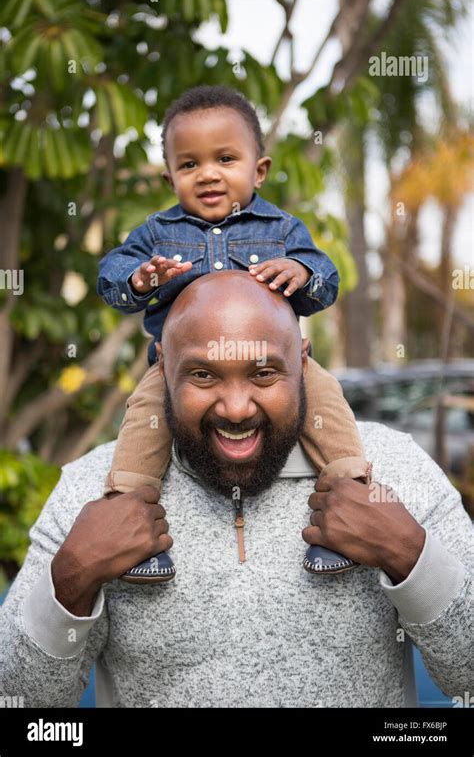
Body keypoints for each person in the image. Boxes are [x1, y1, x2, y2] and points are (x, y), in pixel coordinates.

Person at [0, 272, 472, 708]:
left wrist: (412, 556)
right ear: (162, 368)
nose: (236, 408)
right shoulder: (93, 490)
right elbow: (19, 700)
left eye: (264, 373)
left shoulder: (395, 470)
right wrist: (72, 579)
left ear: (303, 363)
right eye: (203, 375)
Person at [96, 84, 371, 583]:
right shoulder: (157, 235)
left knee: (328, 407)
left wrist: (303, 274)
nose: (208, 174)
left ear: (258, 169)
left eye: (225, 158)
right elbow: (111, 276)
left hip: (278, 367)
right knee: (142, 428)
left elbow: (325, 280)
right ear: (169, 177)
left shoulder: (283, 230)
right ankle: (131, 527)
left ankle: (351, 509)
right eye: (189, 164)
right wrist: (137, 280)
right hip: (179, 372)